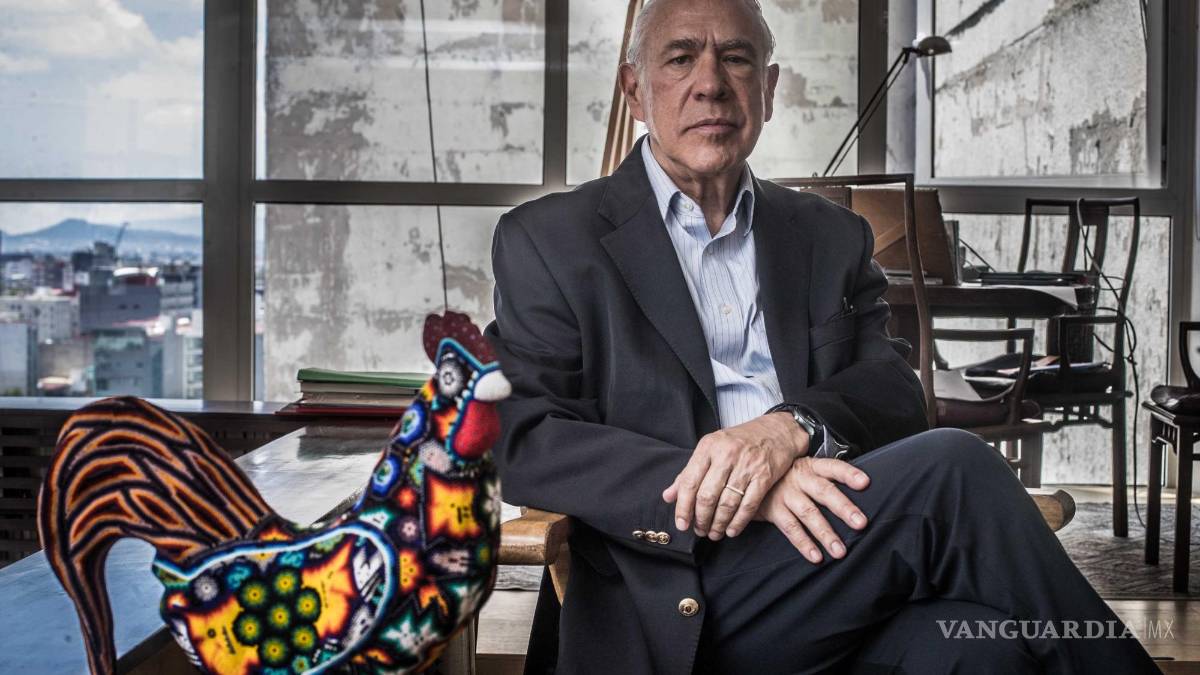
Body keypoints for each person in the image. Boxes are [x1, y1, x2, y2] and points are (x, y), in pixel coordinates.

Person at [483, 1, 1160, 672]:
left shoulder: (829, 234)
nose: (711, 83)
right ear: (634, 90)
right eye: (681, 58)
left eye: (737, 58)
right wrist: (741, 486)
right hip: (668, 590)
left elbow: (894, 391)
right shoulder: (550, 240)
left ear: (769, 89)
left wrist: (790, 429)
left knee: (986, 652)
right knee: (956, 470)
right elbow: (525, 439)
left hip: (826, 565)